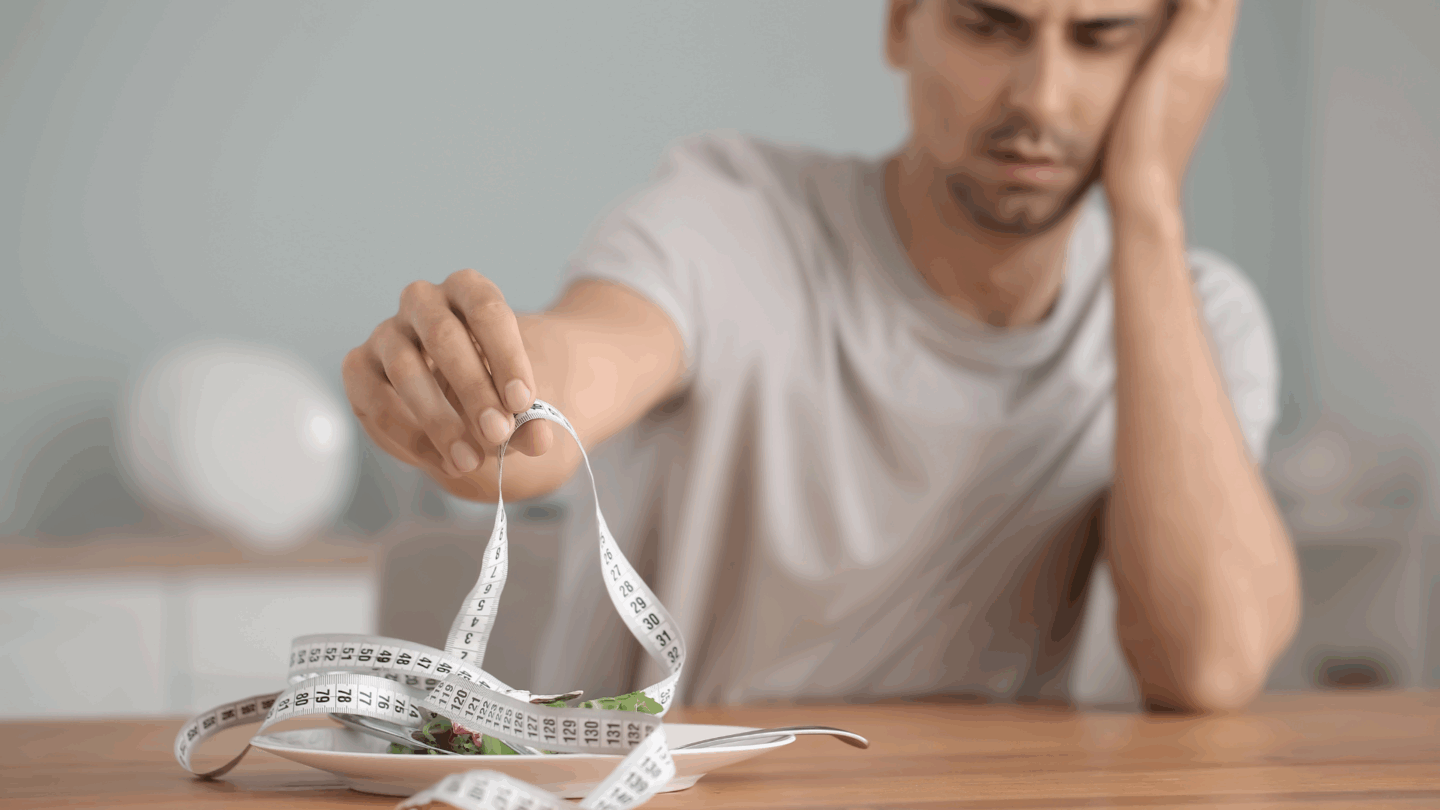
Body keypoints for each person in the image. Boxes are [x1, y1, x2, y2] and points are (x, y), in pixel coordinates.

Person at [343, 0, 1300, 712]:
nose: (1039, 96)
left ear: (1177, 61)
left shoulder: (1195, 315)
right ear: (900, 23)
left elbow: (1206, 665)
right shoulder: (732, 219)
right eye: (988, 25)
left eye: (1100, 38)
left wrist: (1148, 206)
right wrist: (474, 395)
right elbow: (573, 382)